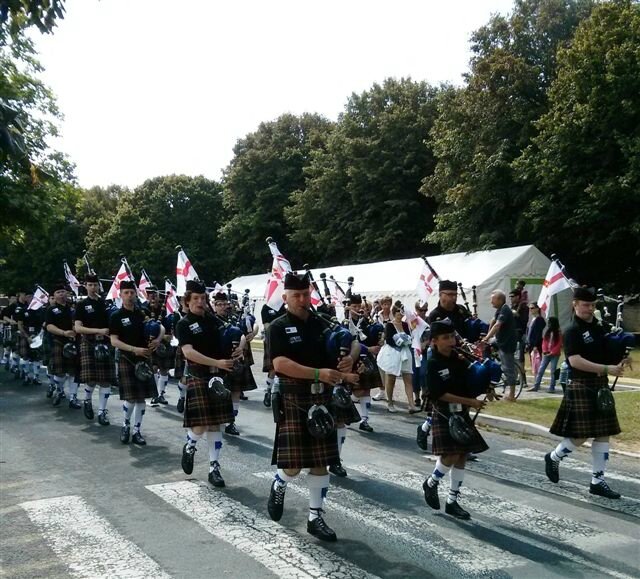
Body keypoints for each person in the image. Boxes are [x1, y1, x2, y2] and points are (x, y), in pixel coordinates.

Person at [266, 271, 358, 542]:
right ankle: (280, 482)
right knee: (294, 465)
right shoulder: (278, 327)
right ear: (285, 297)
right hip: (295, 397)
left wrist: (350, 359)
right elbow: (279, 364)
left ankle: (315, 517)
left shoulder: (323, 321)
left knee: (321, 463)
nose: (303, 300)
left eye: (306, 294)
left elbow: (352, 341)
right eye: (297, 295)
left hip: (322, 398)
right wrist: (319, 373)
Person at [544, 287, 628, 499]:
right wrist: (607, 369)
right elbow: (575, 361)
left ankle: (597, 481)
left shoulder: (600, 327)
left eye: (592, 305)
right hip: (581, 384)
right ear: (575, 304)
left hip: (600, 385)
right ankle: (553, 457)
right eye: (585, 305)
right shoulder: (572, 330)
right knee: (580, 436)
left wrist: (621, 354)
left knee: (603, 432)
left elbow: (606, 352)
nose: (589, 309)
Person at [422, 320, 489, 519]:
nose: (450, 341)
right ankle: (431, 482)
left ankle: (452, 501)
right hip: (444, 412)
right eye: (445, 338)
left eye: (452, 336)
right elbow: (439, 394)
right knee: (450, 456)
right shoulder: (433, 363)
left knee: (461, 457)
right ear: (434, 341)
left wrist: (486, 387)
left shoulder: (459, 358)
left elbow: (470, 379)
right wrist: (470, 401)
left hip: (462, 412)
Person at [178, 280, 236, 487]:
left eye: (203, 298)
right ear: (188, 301)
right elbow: (189, 352)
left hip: (219, 375)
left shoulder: (214, 321)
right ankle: (190, 445)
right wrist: (216, 362)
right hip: (199, 375)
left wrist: (239, 347)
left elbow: (233, 336)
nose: (201, 302)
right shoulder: (183, 324)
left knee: (216, 423)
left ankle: (214, 467)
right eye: (196, 299)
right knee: (201, 425)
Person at [109, 280, 159, 446]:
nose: (130, 296)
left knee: (141, 399)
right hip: (127, 359)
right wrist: (133, 349)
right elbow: (114, 341)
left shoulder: (143, 313)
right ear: (121, 295)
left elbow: (159, 328)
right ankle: (125, 425)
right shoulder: (116, 316)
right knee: (131, 399)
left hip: (144, 359)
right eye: (126, 293)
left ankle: (137, 430)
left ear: (136, 294)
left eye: (132, 292)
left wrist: (157, 340)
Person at [74, 274, 113, 425]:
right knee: (91, 380)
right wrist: (98, 331)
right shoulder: (82, 305)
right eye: (90, 285)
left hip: (105, 343)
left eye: (95, 285)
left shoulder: (106, 304)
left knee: (105, 380)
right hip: (89, 343)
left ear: (99, 286)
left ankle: (102, 412)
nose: (93, 287)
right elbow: (77, 327)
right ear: (85, 286)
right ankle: (87, 400)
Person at [376, 301, 419, 413]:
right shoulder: (389, 325)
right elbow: (389, 340)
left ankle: (411, 404)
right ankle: (390, 402)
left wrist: (406, 340)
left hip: (405, 353)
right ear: (394, 313)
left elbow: (409, 337)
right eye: (399, 313)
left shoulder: (405, 325)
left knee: (408, 378)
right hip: (393, 353)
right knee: (391, 379)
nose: (401, 315)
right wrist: (400, 341)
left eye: (402, 313)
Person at [45, 283, 80, 408]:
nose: (61, 294)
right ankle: (59, 390)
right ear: (54, 295)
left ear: (67, 293)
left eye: (63, 291)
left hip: (73, 343)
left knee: (73, 372)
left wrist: (75, 331)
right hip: (59, 342)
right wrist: (64, 333)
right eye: (58, 292)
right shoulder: (51, 310)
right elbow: (49, 327)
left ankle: (73, 398)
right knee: (60, 373)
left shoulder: (73, 309)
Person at [482, 290, 518, 401]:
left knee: (508, 369)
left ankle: (511, 395)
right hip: (498, 340)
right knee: (484, 349)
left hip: (506, 343)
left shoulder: (505, 309)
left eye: (493, 299)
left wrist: (487, 338)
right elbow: (493, 321)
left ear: (500, 300)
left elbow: (497, 325)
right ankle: (490, 366)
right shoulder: (499, 310)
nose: (491, 301)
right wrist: (486, 338)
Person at [260, 301, 286, 407]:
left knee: (285, 368)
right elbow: (267, 327)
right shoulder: (266, 308)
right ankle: (268, 392)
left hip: (286, 340)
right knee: (273, 368)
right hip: (272, 340)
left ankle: (281, 395)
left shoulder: (284, 308)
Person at [531, 316, 562, 393]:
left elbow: (559, 344)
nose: (548, 324)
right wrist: (545, 350)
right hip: (546, 354)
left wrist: (552, 352)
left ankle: (552, 387)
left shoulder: (558, 332)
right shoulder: (547, 332)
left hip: (555, 354)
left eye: (550, 322)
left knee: (553, 371)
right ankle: (536, 386)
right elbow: (544, 342)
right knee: (541, 370)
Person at [372, 296, 393, 401]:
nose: (386, 306)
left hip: (390, 344)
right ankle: (381, 391)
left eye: (388, 304)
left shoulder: (393, 315)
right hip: (379, 343)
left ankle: (389, 393)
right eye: (384, 304)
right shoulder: (377, 315)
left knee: (389, 368)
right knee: (380, 367)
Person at [525, 302, 546, 389]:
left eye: (532, 308)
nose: (530, 310)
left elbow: (538, 334)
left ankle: (537, 382)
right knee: (533, 363)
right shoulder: (533, 319)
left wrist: (535, 345)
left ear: (537, 308)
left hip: (536, 345)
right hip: (531, 344)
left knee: (537, 363)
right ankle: (536, 381)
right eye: (529, 308)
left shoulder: (539, 319)